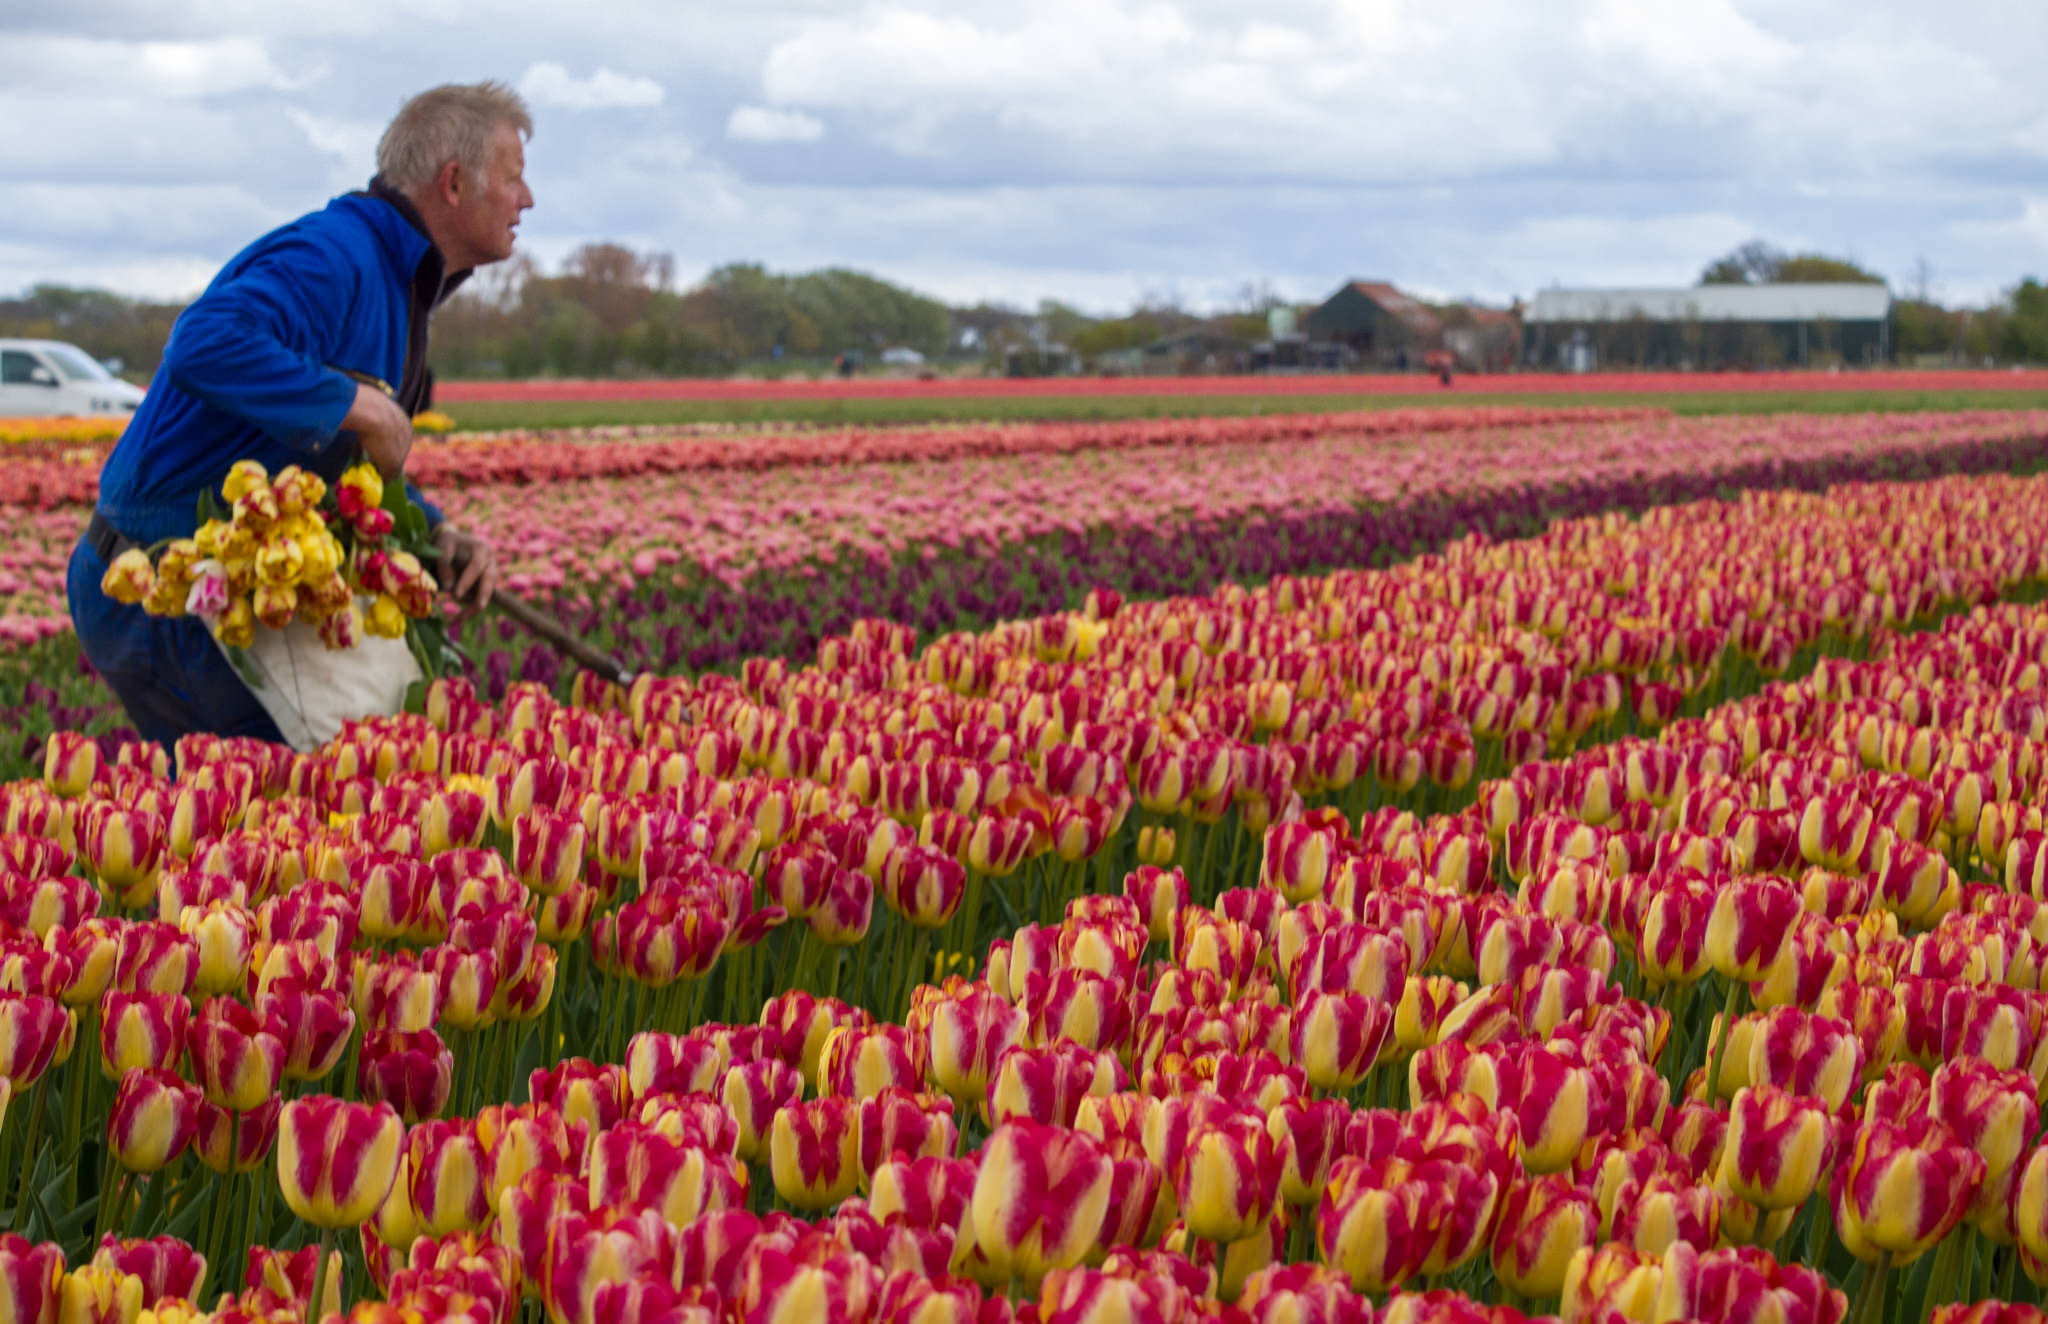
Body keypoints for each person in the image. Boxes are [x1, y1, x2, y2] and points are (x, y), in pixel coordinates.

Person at [68, 81, 532, 752]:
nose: (528, 200)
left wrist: (434, 531)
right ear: (454, 183)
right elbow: (203, 342)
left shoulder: (395, 281)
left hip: (222, 586)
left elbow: (321, 459)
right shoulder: (333, 256)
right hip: (164, 592)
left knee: (273, 820)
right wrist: (357, 403)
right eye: (514, 179)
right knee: (271, 818)